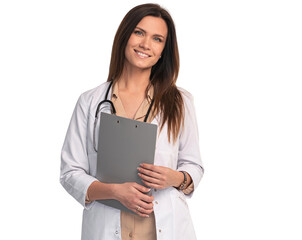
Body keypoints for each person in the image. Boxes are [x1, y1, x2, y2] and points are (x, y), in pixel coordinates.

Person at [60, 3, 204, 240]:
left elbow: (194, 166)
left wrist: (175, 177)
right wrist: (115, 192)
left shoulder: (180, 101)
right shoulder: (90, 101)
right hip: (107, 230)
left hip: (164, 229)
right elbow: (70, 172)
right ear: (124, 36)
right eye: (139, 32)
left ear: (163, 51)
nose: (146, 44)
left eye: (157, 39)